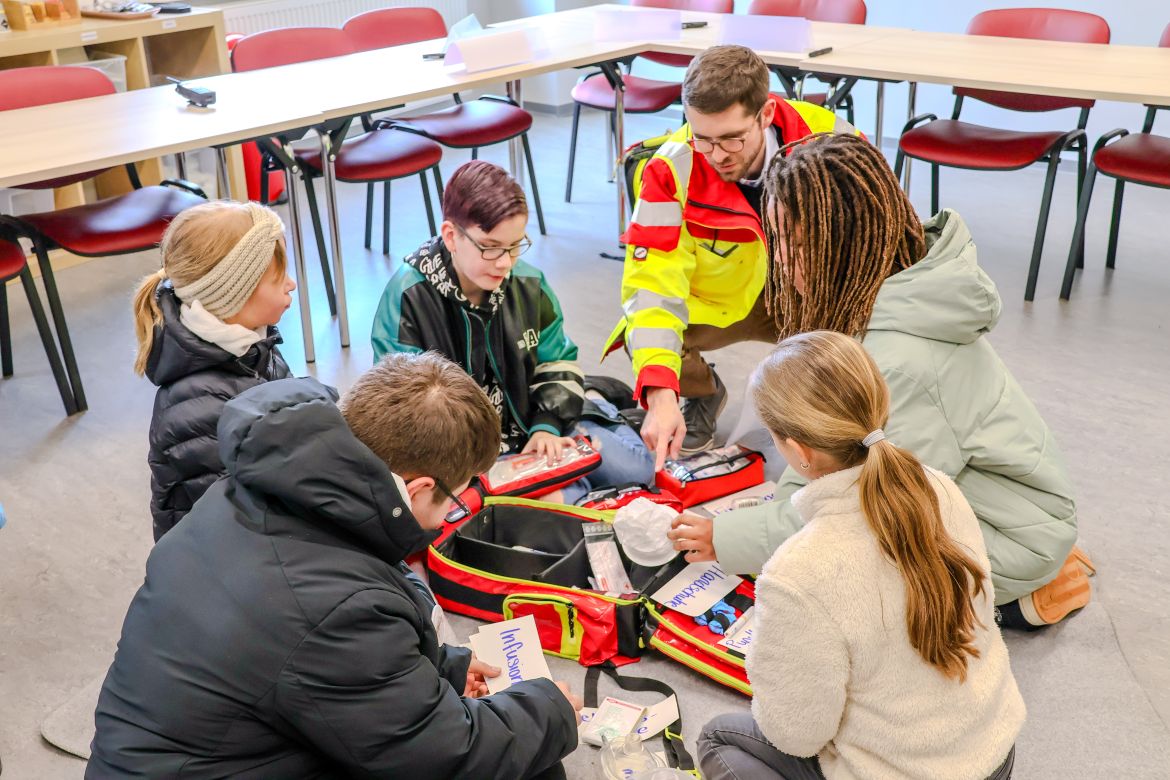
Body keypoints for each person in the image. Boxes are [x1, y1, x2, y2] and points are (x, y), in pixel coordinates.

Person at [88, 353, 581, 779]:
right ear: (417, 490)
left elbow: (311, 666)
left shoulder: (255, 487)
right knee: (528, 765)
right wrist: (551, 709)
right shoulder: (341, 608)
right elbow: (446, 758)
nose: (451, 516)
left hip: (192, 752)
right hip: (210, 762)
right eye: (455, 502)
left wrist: (443, 665)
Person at [669, 133, 1091, 629]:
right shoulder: (882, 292)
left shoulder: (899, 361)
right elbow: (820, 445)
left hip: (1015, 537)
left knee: (849, 582)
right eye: (776, 242)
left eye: (797, 247)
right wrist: (774, 512)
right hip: (987, 497)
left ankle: (1014, 604)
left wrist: (728, 537)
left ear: (844, 247)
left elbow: (858, 500)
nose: (781, 261)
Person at [698, 330, 1024, 780]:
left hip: (906, 771)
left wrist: (766, 656)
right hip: (993, 755)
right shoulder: (937, 486)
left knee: (718, 738)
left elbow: (796, 735)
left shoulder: (800, 571)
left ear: (797, 451)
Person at [603, 44, 861, 468]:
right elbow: (649, 288)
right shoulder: (670, 169)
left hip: (809, 294)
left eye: (730, 139)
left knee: (850, 355)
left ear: (765, 115)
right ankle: (701, 394)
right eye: (701, 138)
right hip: (727, 302)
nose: (716, 155)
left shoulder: (832, 140)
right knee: (644, 334)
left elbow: (873, 245)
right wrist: (661, 396)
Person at [371, 160, 653, 503]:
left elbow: (556, 361)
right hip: (463, 452)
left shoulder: (529, 283)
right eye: (490, 247)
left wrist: (548, 425)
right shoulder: (408, 296)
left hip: (533, 414)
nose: (505, 262)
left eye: (516, 245)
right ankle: (579, 442)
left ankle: (591, 403)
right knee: (562, 497)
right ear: (451, 236)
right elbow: (408, 411)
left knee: (638, 473)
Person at [132, 200, 293, 541]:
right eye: (278, 278)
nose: (291, 284)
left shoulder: (252, 348)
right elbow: (238, 529)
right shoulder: (203, 409)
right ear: (236, 294)